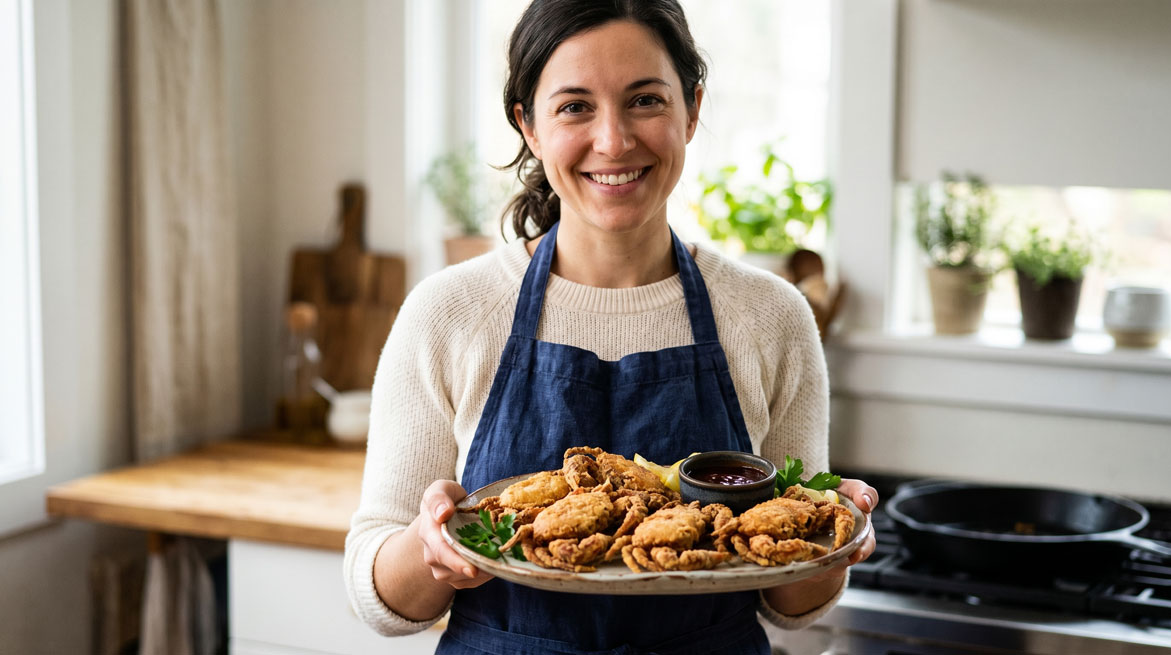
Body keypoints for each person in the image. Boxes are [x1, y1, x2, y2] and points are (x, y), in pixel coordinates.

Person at [344, 1, 878, 653]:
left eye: (645, 100)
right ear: (530, 126)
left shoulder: (772, 316)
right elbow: (382, 599)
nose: (615, 140)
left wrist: (832, 540)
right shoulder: (448, 313)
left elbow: (791, 604)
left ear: (693, 109)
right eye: (575, 106)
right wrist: (428, 548)